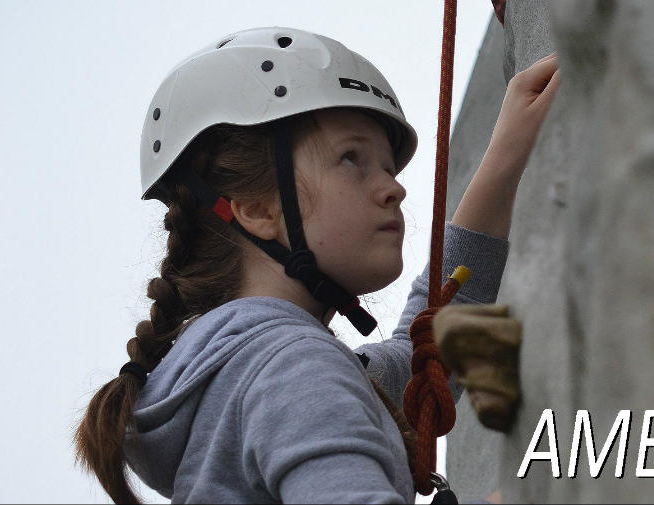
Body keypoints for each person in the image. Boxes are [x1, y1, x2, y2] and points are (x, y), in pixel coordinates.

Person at [75, 27, 559, 504]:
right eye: (351, 158)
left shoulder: (243, 372)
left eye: (388, 166)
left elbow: (425, 361)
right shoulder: (291, 367)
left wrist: (506, 155)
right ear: (257, 210)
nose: (394, 188)